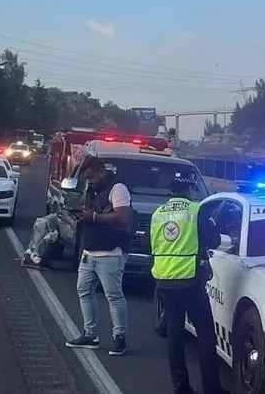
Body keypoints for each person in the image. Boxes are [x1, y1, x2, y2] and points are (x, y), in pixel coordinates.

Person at [149, 174, 226, 394]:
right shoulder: (196, 210)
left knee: (175, 332)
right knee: (205, 333)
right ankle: (212, 389)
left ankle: (180, 387)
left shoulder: (157, 214)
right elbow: (215, 241)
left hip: (163, 279)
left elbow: (152, 245)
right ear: (191, 190)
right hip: (189, 280)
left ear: (171, 190)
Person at [65, 158, 133, 356]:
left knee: (114, 295)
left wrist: (94, 217)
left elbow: (122, 216)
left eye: (92, 177)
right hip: (90, 250)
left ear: (102, 171)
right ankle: (90, 334)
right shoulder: (91, 190)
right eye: (87, 178)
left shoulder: (118, 189)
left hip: (111, 251)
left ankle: (120, 337)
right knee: (84, 291)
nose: (90, 181)